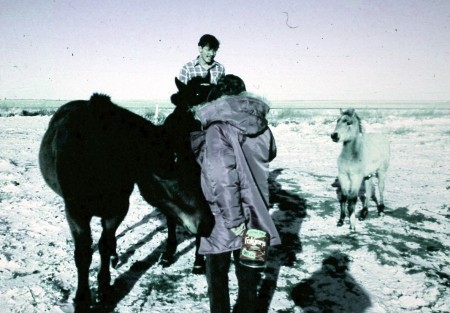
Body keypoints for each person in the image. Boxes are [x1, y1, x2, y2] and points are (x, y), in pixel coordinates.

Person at [190, 74, 281, 313]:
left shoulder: (216, 128)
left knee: (218, 279)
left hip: (223, 218)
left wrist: (234, 220)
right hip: (258, 215)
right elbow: (270, 153)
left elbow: (221, 179)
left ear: (219, 96)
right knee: (249, 281)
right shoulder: (262, 125)